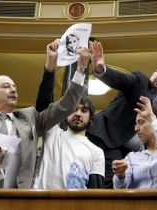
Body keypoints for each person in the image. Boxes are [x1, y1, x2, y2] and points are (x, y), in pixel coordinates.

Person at [0, 40, 87, 188]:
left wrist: (80, 69)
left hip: (20, 199)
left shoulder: (31, 118)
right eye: (6, 86)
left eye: (14, 87)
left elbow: (66, 106)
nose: (13, 90)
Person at [86, 41, 157, 188]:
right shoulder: (140, 81)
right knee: (111, 183)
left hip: (128, 148)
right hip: (106, 135)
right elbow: (121, 80)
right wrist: (101, 69)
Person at [33, 45, 105, 189]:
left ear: (90, 118)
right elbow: (43, 105)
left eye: (84, 111)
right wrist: (50, 64)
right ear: (65, 114)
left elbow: (96, 192)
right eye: (74, 110)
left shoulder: (96, 151)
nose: (78, 114)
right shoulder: (52, 132)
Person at [112, 96, 157, 189]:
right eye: (136, 124)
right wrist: (120, 175)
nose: (136, 128)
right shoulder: (131, 157)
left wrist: (151, 117)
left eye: (141, 122)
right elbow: (120, 188)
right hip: (139, 203)